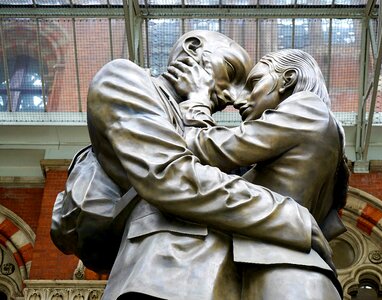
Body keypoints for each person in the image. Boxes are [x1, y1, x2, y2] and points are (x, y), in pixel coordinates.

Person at [85, 31, 333, 300]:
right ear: (193, 48)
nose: (234, 98)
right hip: (164, 275)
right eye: (232, 71)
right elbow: (170, 176)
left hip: (239, 274)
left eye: (250, 84)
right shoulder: (126, 79)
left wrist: (197, 107)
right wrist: (290, 218)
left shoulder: (299, 117)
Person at [167, 48, 349, 299]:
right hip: (295, 269)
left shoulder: (307, 107)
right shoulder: (323, 138)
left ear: (288, 79)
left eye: (254, 83)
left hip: (280, 269)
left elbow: (207, 149)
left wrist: (198, 100)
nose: (240, 100)